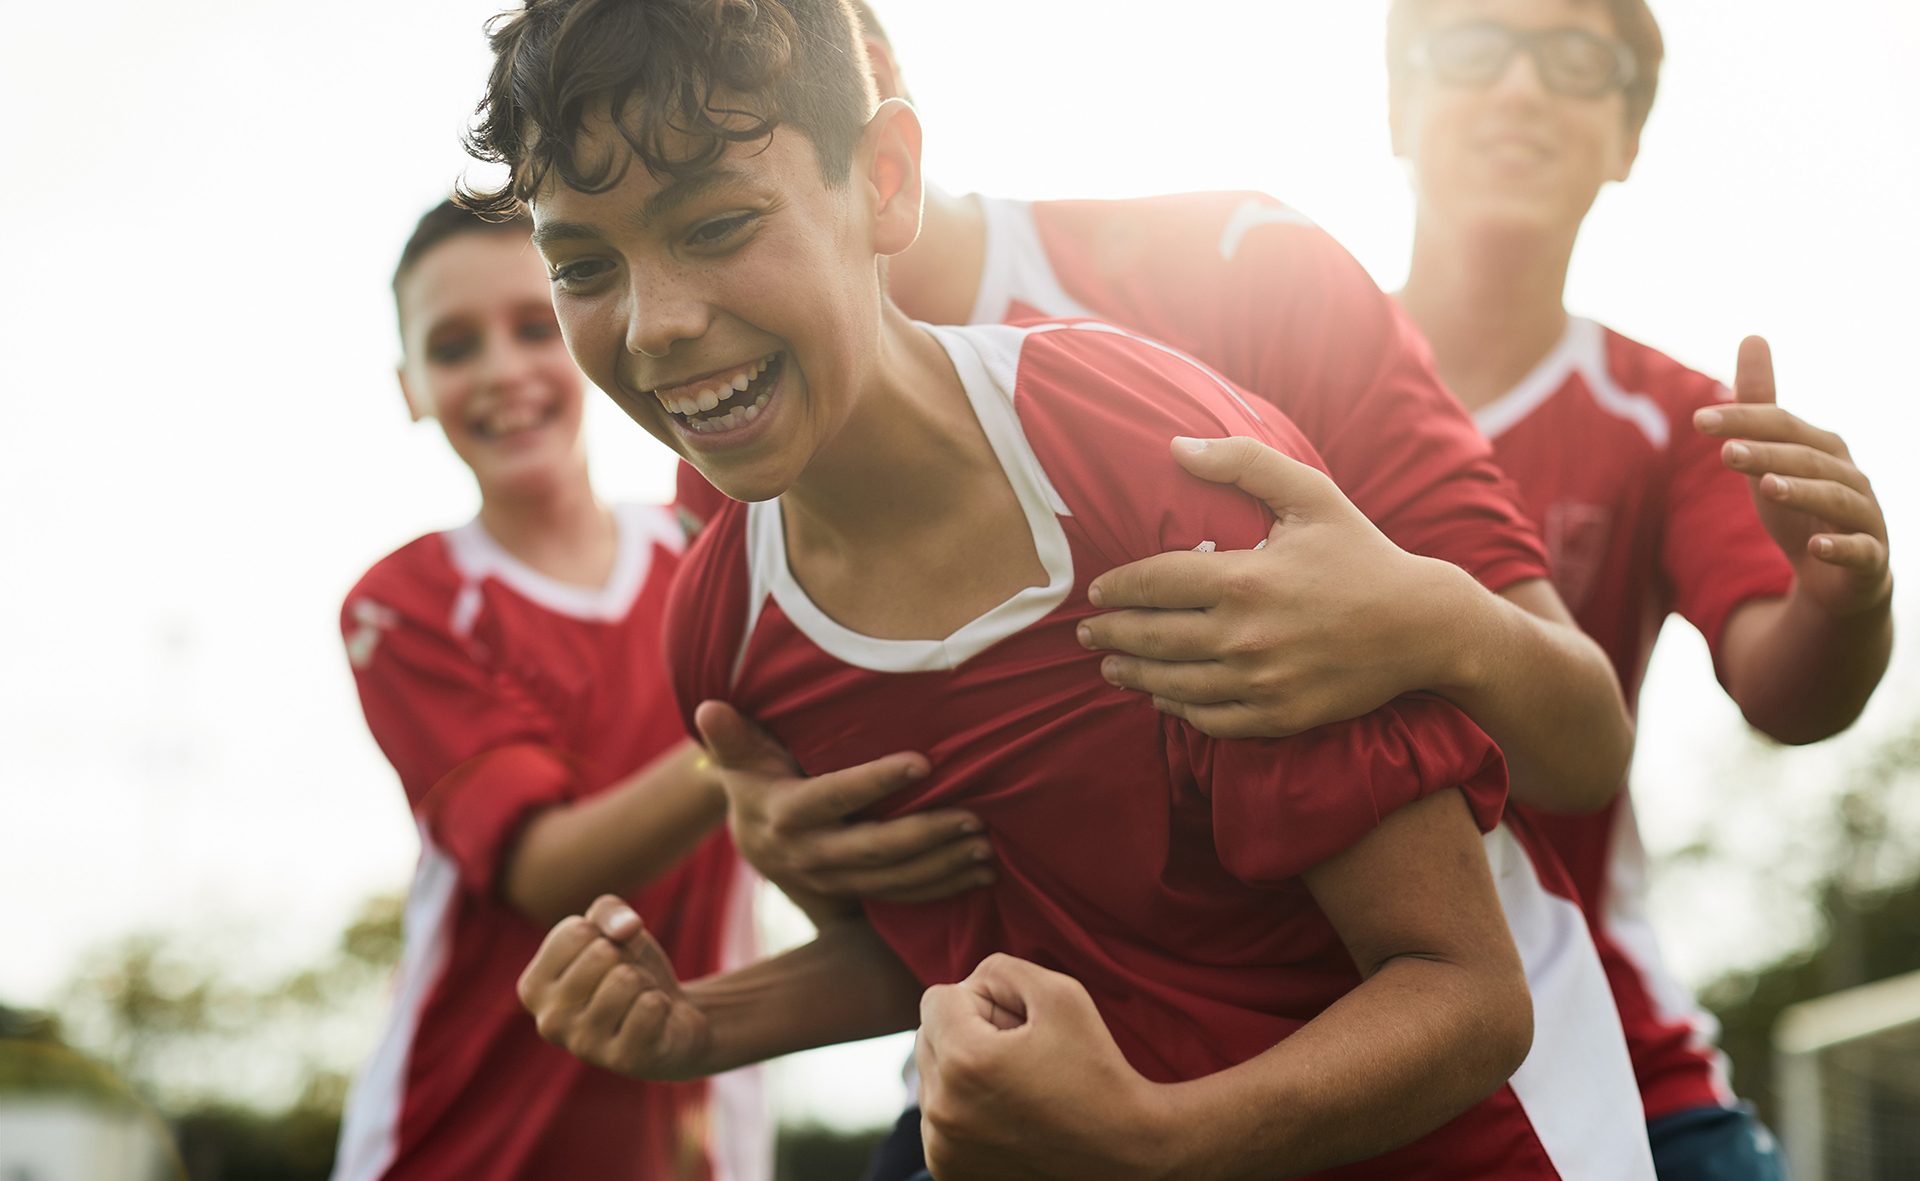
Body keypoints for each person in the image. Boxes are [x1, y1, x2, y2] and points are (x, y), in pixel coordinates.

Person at [477, 1, 1656, 1176]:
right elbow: (976, 933)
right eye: (583, 264)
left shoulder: (1165, 453)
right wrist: (704, 1019)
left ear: (885, 175)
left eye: (721, 223)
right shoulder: (725, 622)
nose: (659, 324)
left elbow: (1467, 991)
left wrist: (1150, 1138)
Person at [1377, 2, 1893, 1176]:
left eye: (1572, 59)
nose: (1518, 88)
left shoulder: (1673, 417)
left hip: (1603, 1047)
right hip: (1285, 1025)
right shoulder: (1244, 373)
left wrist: (1842, 595)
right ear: (1396, 106)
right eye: (1472, 46)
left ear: (1628, 136)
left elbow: (1786, 688)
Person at [330, 200, 767, 1181]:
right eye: (453, 345)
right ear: (410, 387)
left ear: (590, 331)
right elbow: (546, 873)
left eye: (535, 325)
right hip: (452, 1142)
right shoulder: (406, 602)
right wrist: (759, 721)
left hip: (699, 1142)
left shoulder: (714, 542)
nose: (501, 371)